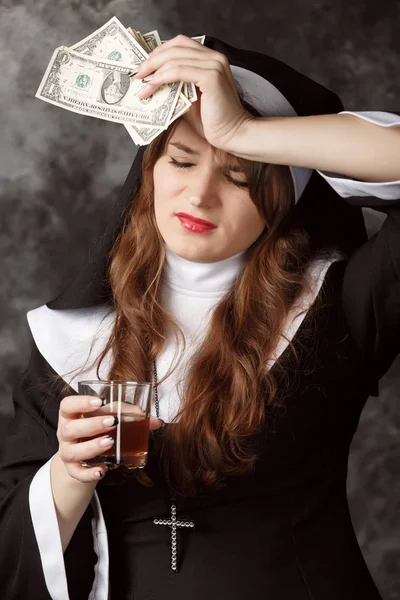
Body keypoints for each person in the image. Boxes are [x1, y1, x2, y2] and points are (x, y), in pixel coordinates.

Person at [0, 33, 399, 600]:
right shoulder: (71, 340)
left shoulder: (341, 305)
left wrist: (244, 131)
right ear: (149, 171)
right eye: (182, 160)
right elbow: (11, 547)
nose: (199, 196)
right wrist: (67, 473)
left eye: (239, 176)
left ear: (285, 196)